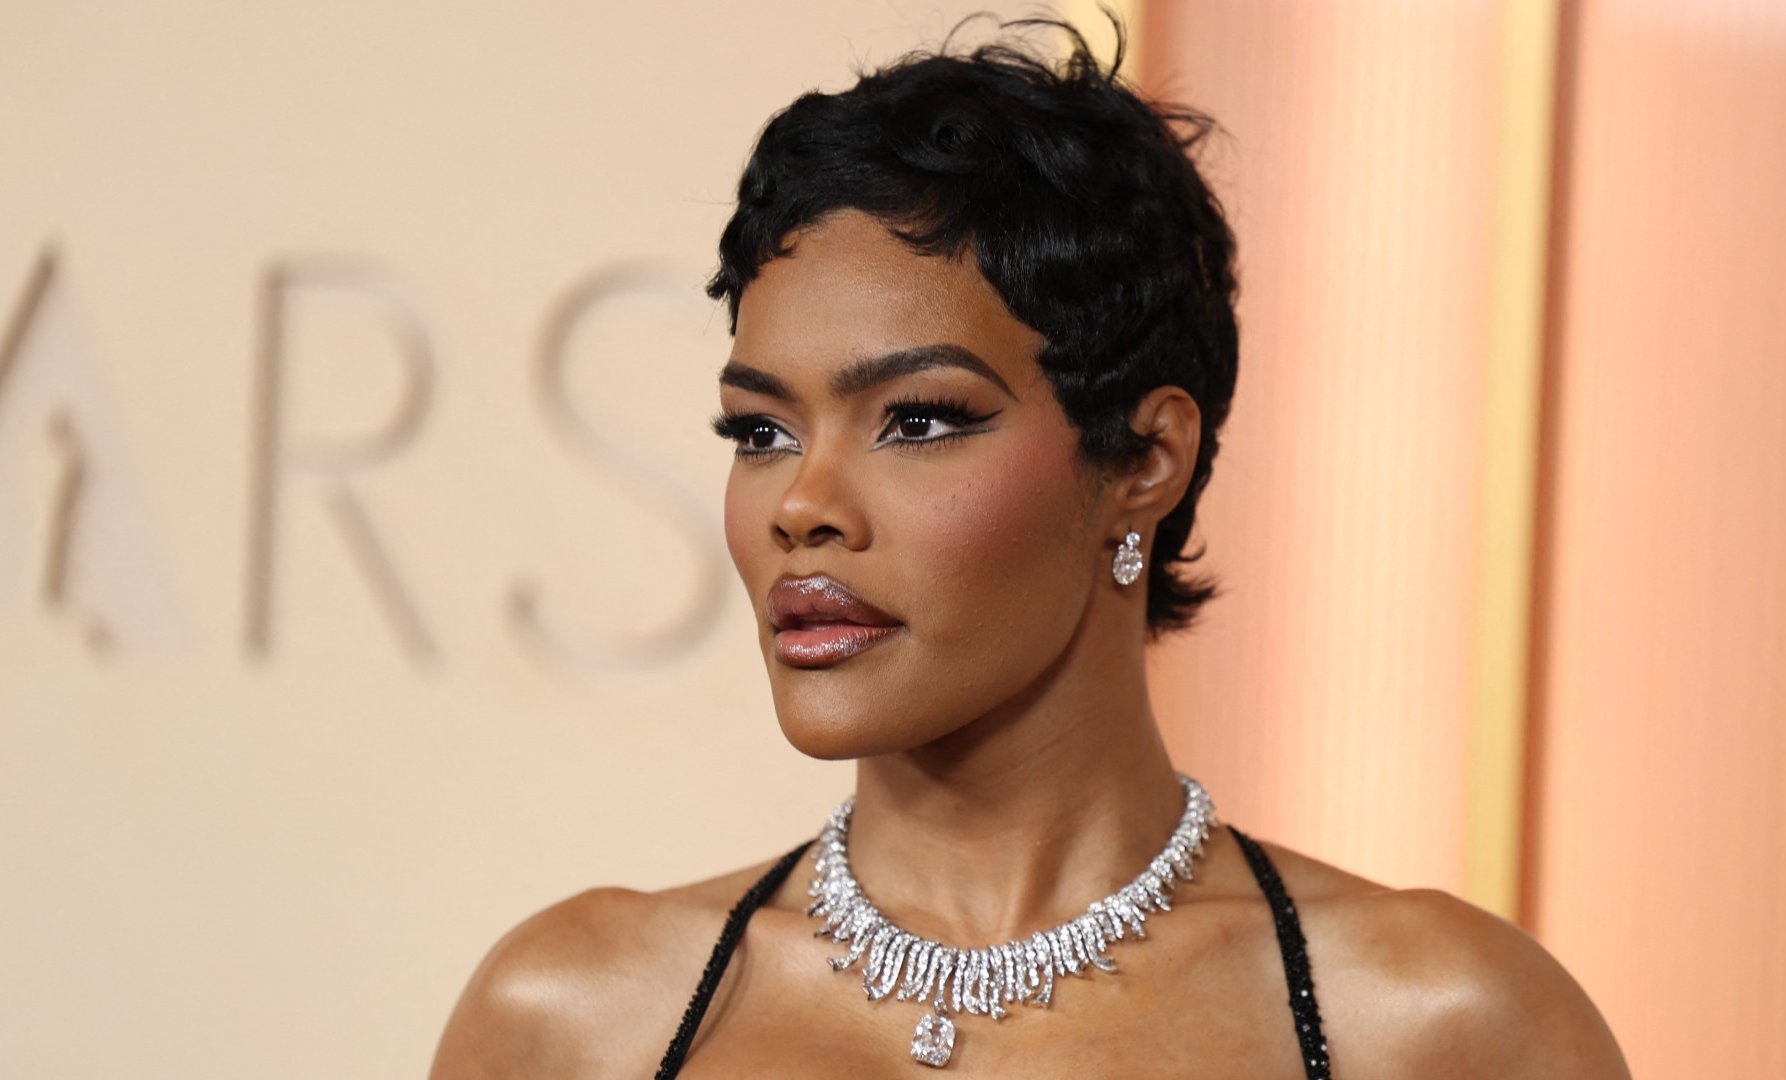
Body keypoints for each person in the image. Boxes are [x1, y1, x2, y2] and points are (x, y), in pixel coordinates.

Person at [430, 16, 1631, 1079]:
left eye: (920, 418)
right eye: (762, 430)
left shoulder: (1436, 1029)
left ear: (1143, 459)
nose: (804, 502)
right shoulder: (578, 1025)